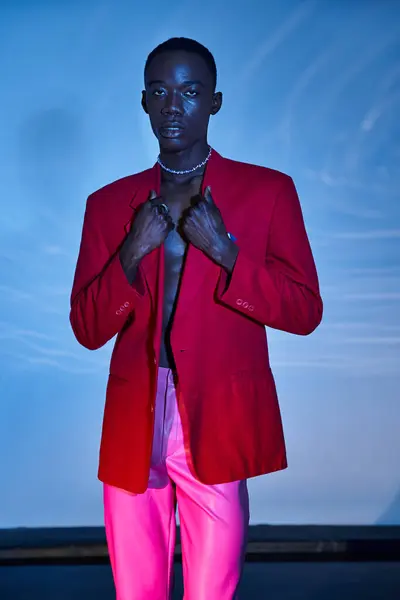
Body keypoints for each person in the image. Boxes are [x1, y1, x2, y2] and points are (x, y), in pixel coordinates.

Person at [69, 36, 323, 600]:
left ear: (215, 101)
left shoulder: (268, 192)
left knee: (212, 590)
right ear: (143, 102)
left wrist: (227, 253)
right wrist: (131, 252)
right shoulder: (109, 205)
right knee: (137, 592)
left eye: (189, 91)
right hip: (135, 417)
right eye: (159, 91)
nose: (172, 106)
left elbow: (305, 310)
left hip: (217, 415)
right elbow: (87, 328)